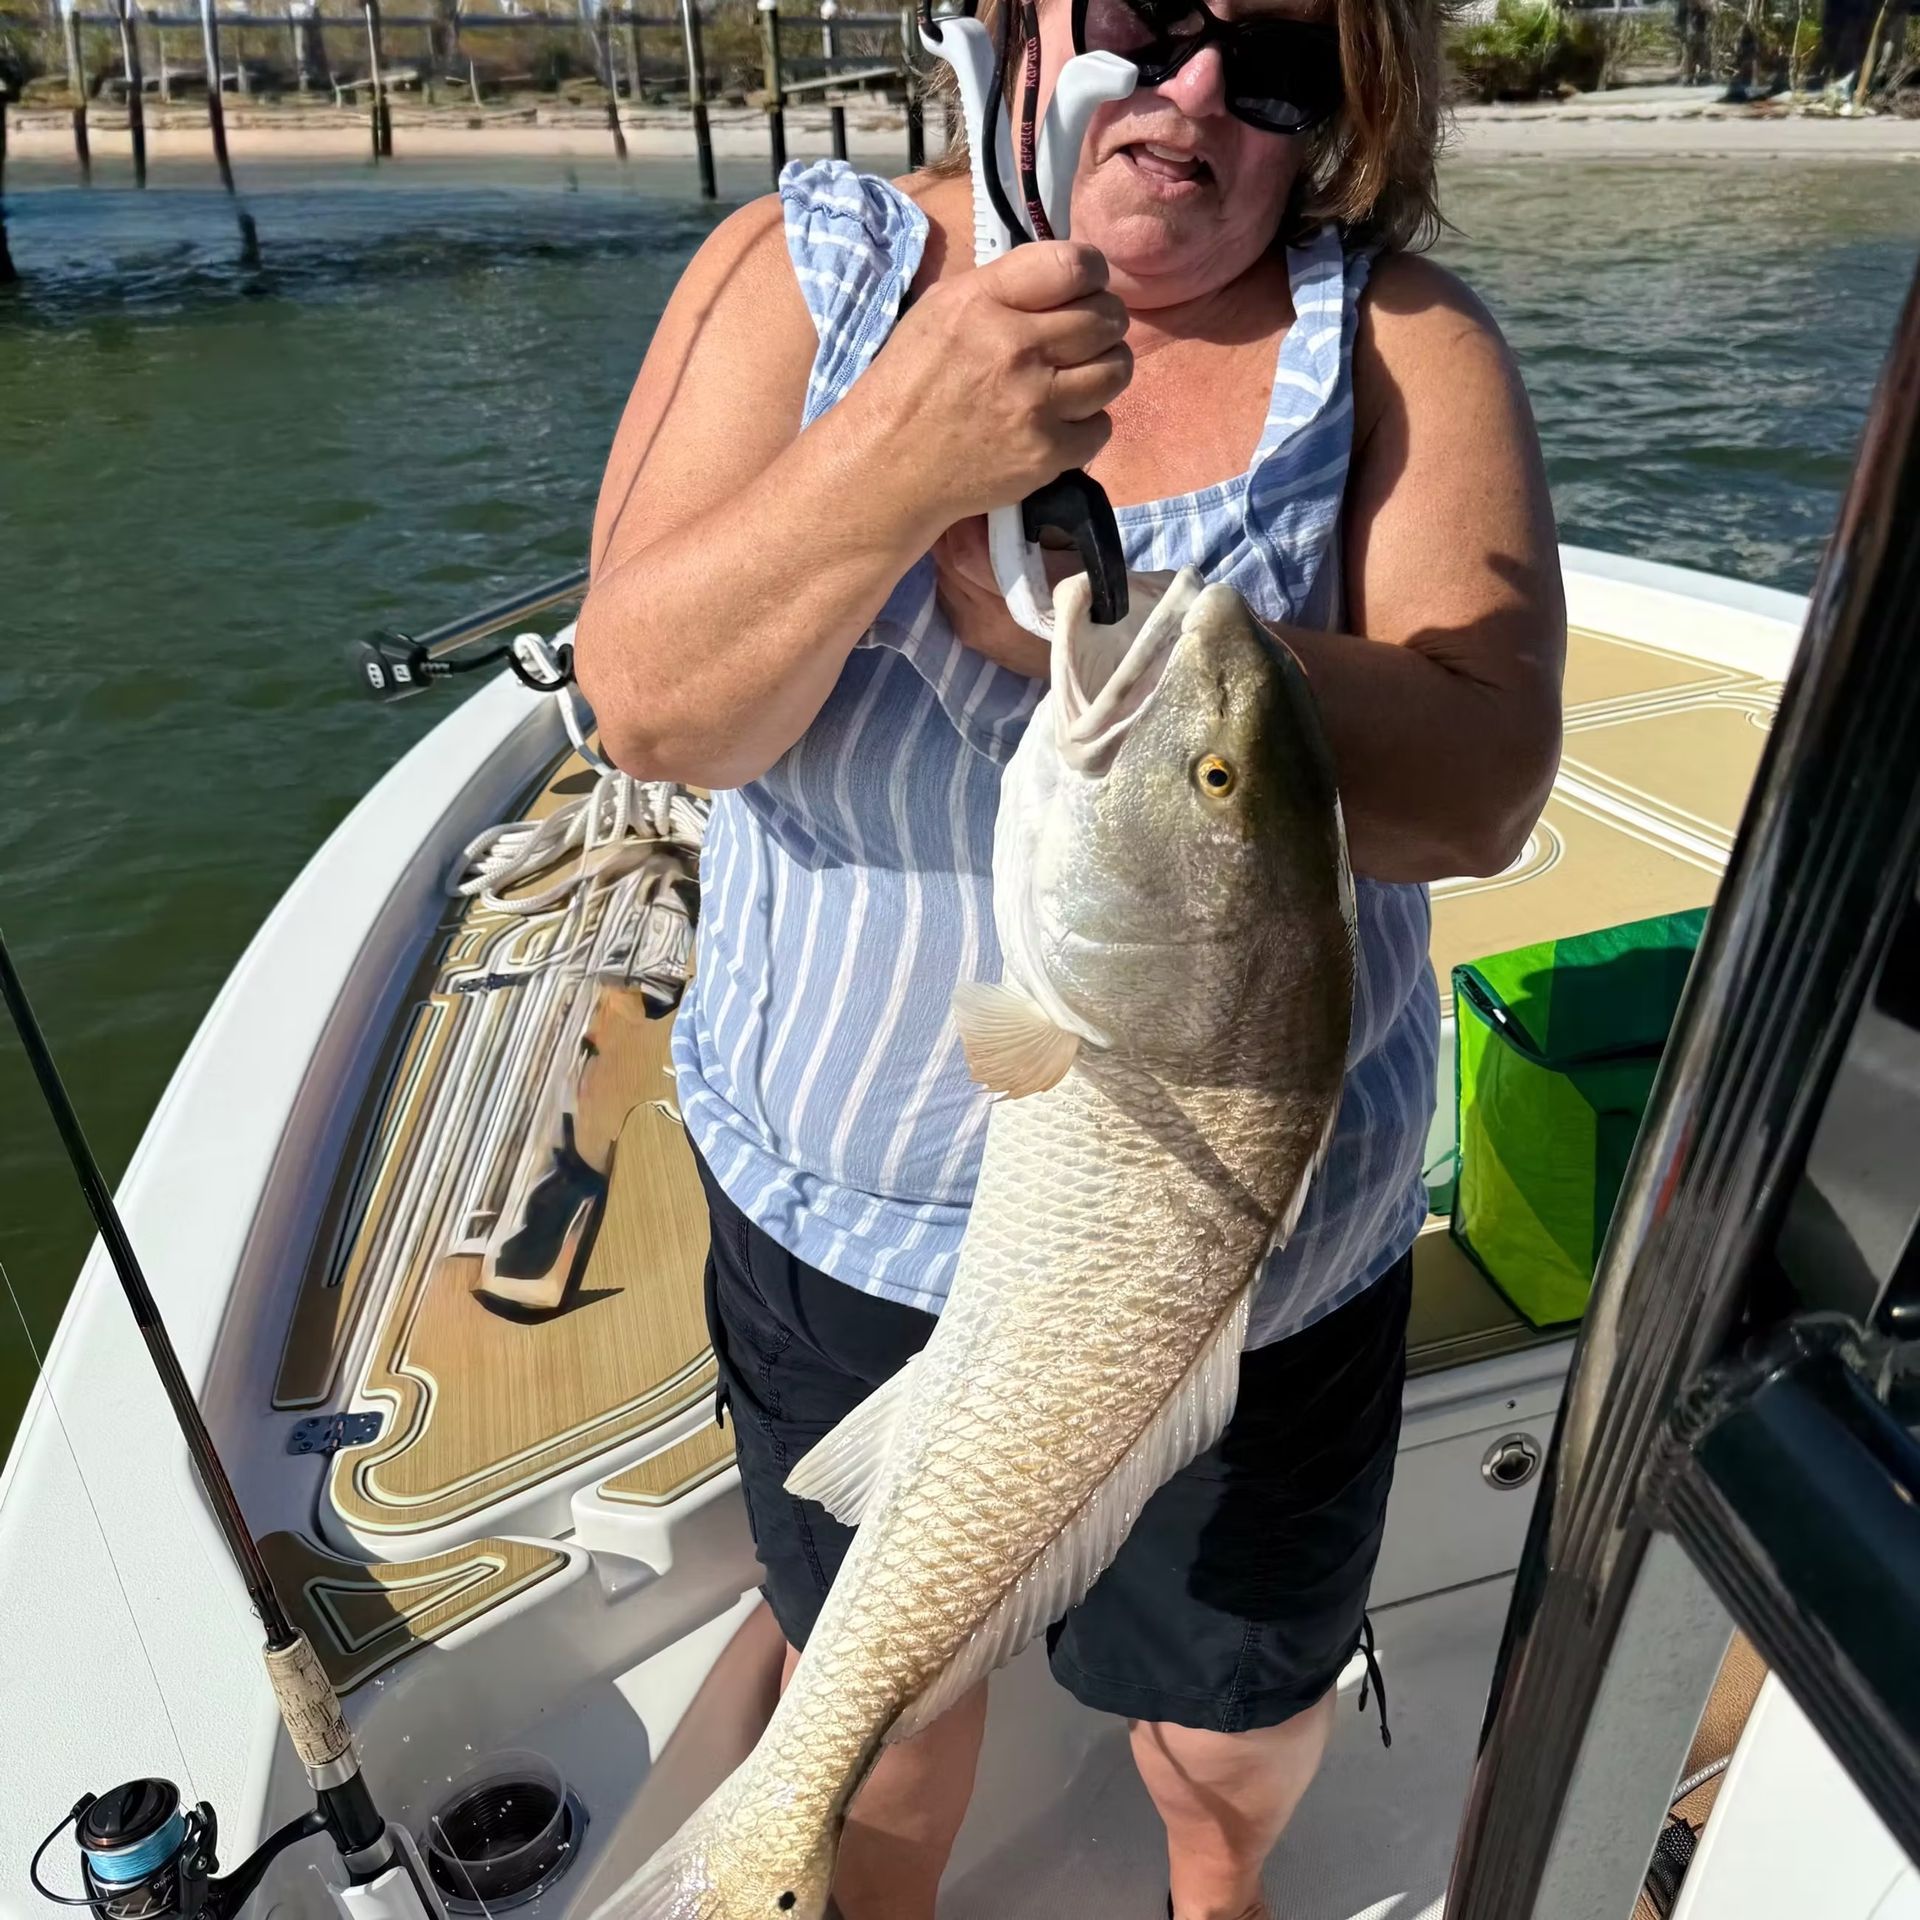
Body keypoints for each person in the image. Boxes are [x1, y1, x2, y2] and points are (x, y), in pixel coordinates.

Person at [574, 0, 1565, 1906]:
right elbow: (652, 710)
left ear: (1342, 113)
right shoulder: (799, 275)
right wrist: (896, 456)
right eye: (1151, 21)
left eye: (1272, 60)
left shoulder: (1404, 343)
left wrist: (1093, 649)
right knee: (881, 1716)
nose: (1194, 89)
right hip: (838, 1231)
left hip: (1244, 1269)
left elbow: (1481, 783)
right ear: (1023, 26)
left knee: (1227, 1714)